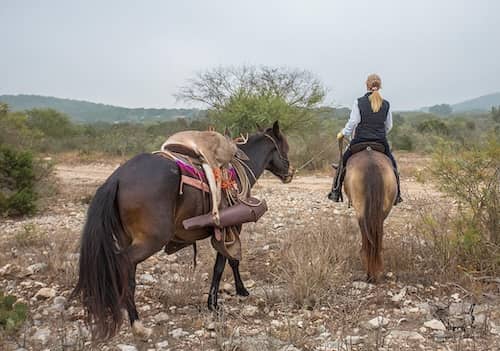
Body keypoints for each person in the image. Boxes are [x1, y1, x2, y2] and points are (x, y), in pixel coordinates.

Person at [327, 74, 403, 204]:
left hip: (360, 140)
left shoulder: (359, 102)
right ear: (380, 86)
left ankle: (335, 191)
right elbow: (389, 126)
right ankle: (397, 195)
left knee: (343, 163)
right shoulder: (386, 104)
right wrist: (379, 133)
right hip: (380, 142)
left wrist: (343, 133)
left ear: (367, 85)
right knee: (393, 165)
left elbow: (354, 121)